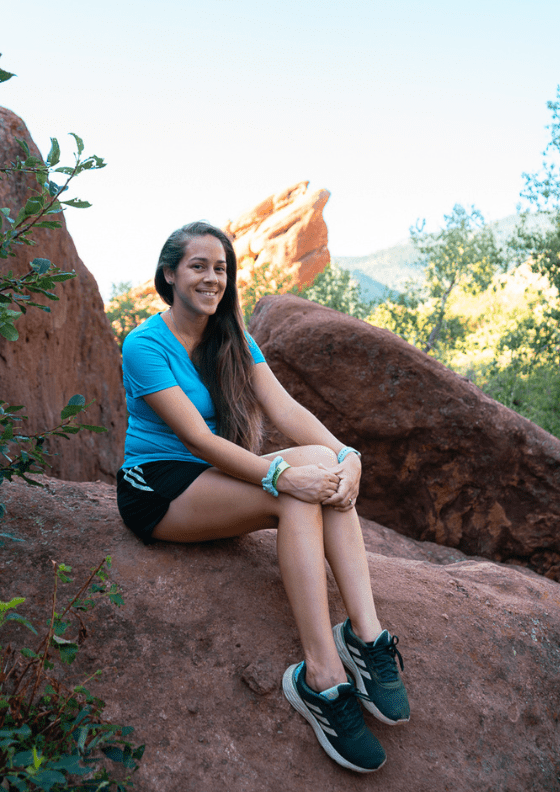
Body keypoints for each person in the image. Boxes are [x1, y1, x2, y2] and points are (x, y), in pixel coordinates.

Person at [116, 221, 410, 773]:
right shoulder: (144, 344)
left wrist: (348, 455)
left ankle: (367, 639)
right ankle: (322, 679)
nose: (211, 278)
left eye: (220, 268)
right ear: (169, 275)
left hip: (216, 476)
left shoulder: (232, 337)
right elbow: (196, 439)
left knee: (323, 471)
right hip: (161, 487)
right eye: (198, 266)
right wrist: (277, 478)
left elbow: (285, 411)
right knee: (296, 493)